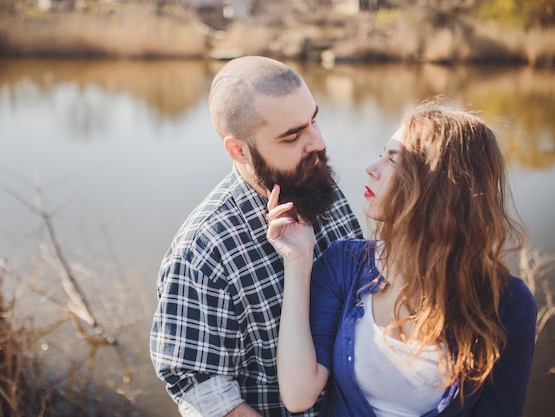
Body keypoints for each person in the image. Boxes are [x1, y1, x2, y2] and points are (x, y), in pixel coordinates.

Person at [266, 103, 537, 416]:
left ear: (438, 187)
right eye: (382, 154)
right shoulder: (345, 265)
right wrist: (298, 261)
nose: (372, 168)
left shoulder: (507, 304)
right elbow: (298, 395)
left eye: (392, 160)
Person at [149, 55, 363, 417]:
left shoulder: (317, 182)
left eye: (313, 120)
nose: (317, 143)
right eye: (292, 136)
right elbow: (208, 395)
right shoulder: (203, 254)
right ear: (238, 150)